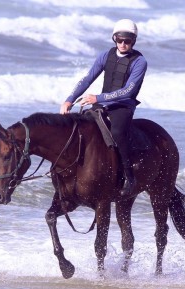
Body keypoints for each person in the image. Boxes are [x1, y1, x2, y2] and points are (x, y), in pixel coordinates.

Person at [60, 19, 147, 196]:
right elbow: (87, 78)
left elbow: (128, 90)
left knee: (116, 132)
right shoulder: (105, 55)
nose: (123, 44)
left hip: (124, 105)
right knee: (80, 127)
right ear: (114, 38)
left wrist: (97, 97)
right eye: (119, 40)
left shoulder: (140, 61)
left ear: (133, 41)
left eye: (127, 41)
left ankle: (129, 177)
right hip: (102, 103)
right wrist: (69, 100)